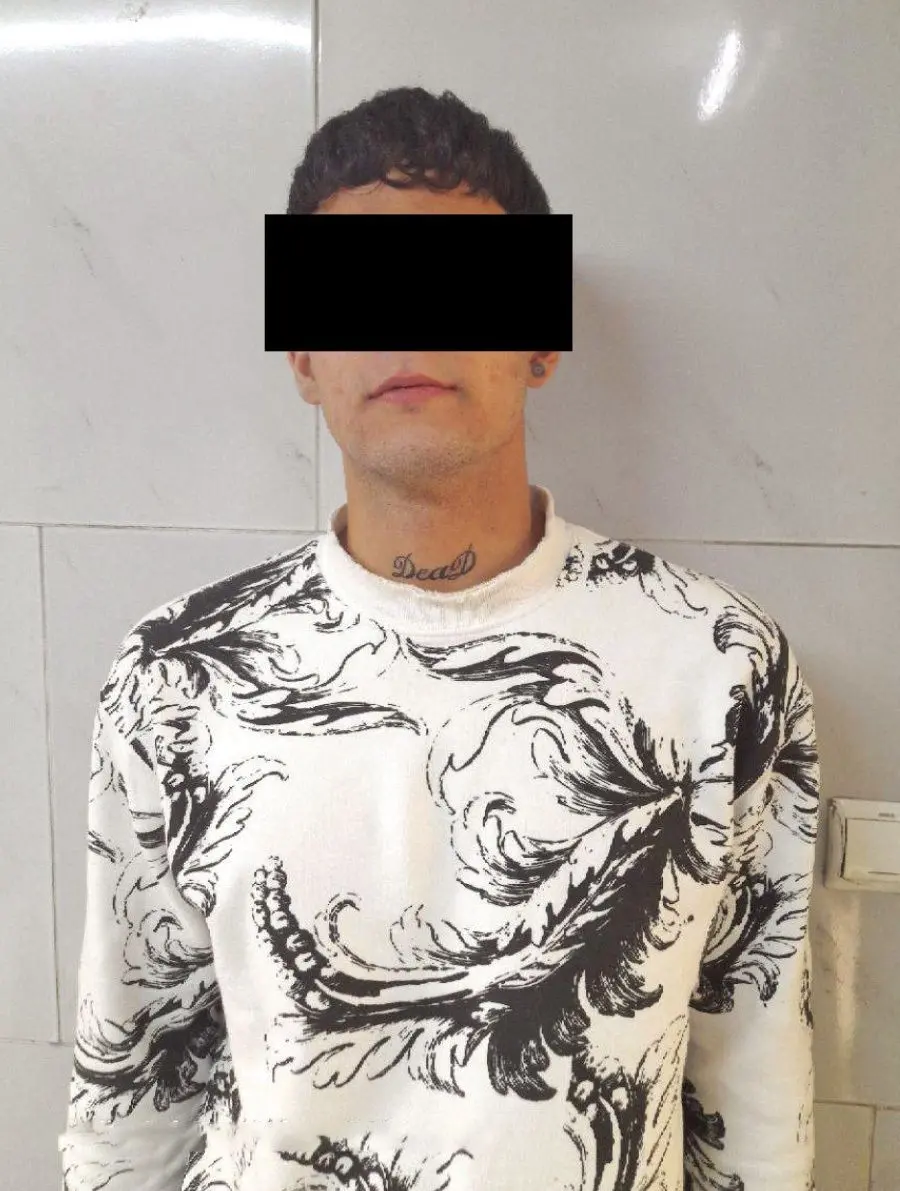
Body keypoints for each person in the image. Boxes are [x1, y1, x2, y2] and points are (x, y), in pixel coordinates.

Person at [58, 86, 820, 1191]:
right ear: (303, 356)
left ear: (542, 340)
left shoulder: (722, 665)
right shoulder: (179, 681)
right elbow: (129, 1101)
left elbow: (754, 1095)